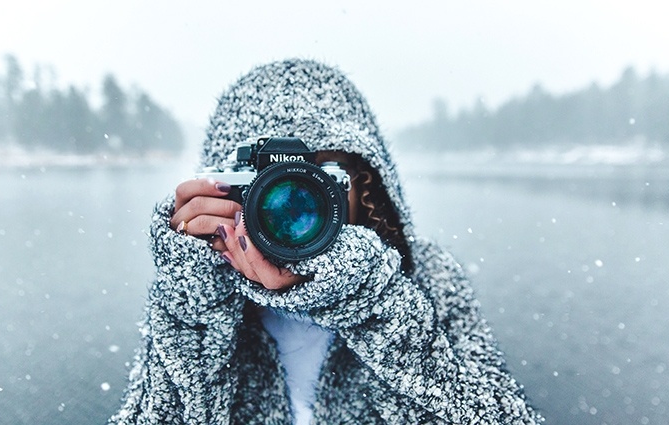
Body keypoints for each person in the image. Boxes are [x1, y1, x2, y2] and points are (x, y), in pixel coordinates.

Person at [110, 59, 544, 424]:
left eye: (323, 180)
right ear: (223, 187)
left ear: (366, 184)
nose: (293, 205)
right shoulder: (201, 292)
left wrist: (374, 302)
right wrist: (193, 311)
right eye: (267, 184)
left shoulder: (427, 277)